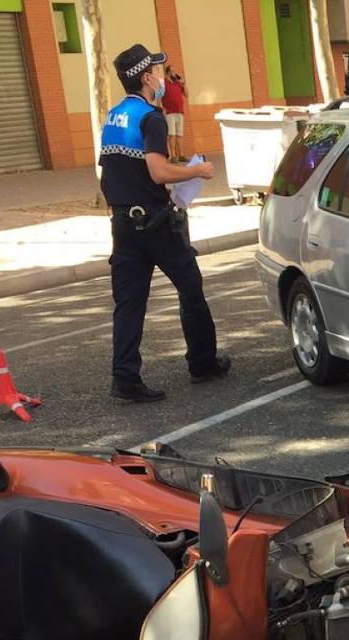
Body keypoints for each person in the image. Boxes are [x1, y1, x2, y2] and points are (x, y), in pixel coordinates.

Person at [101, 44, 230, 402]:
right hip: (156, 224)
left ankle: (124, 379)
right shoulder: (150, 117)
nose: (162, 78)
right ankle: (203, 363)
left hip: (124, 226)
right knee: (191, 287)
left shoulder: (112, 117)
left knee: (129, 304)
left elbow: (112, 173)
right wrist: (196, 170)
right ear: (146, 77)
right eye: (158, 72)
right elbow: (158, 172)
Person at [161, 64, 187, 162]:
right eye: (172, 71)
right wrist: (161, 107)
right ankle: (173, 156)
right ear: (167, 73)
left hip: (179, 111)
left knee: (179, 134)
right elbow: (159, 96)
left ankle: (181, 155)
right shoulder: (163, 83)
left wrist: (184, 84)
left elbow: (187, 94)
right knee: (172, 135)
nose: (175, 73)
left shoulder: (178, 83)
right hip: (169, 112)